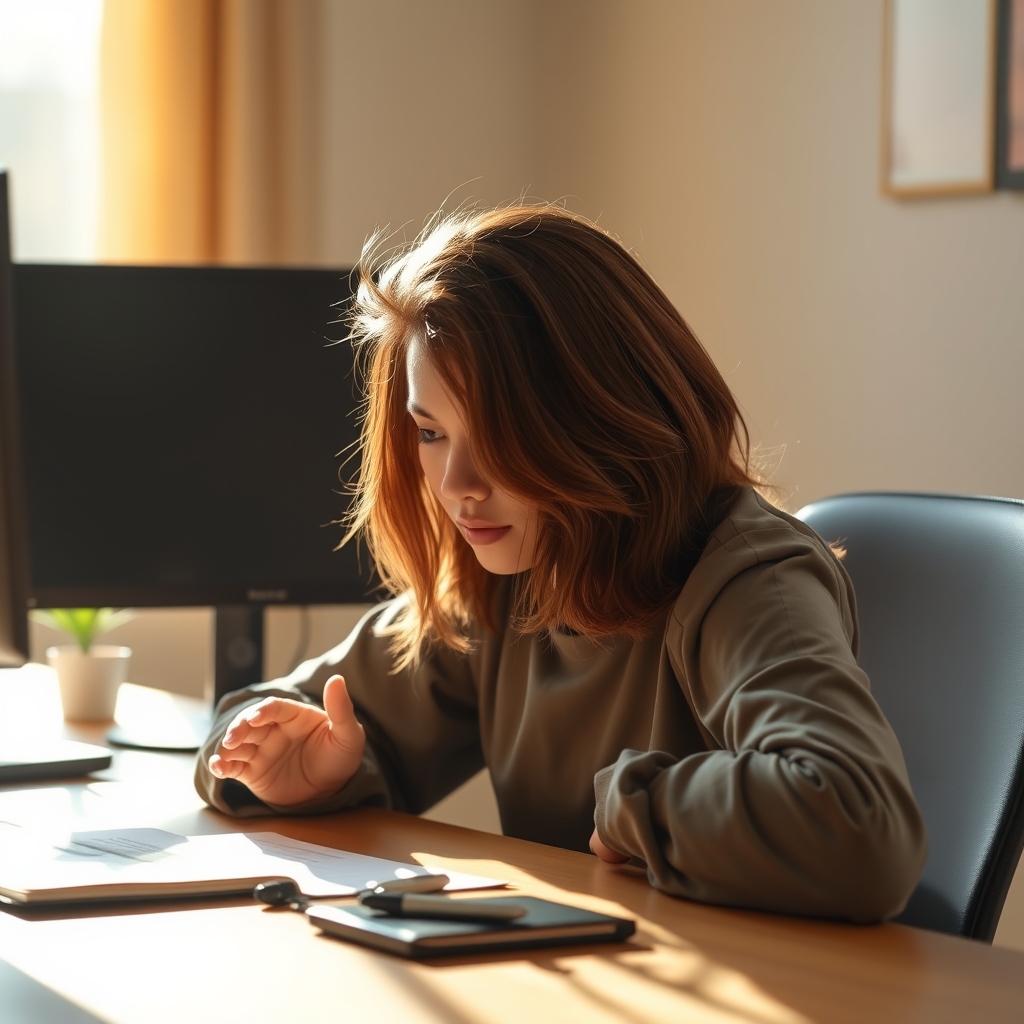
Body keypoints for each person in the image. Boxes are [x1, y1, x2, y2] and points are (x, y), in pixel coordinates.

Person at [195, 205, 926, 922]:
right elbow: (252, 720)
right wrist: (296, 771)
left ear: (598, 412)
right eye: (430, 432)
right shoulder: (503, 573)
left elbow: (860, 825)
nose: (457, 487)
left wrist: (633, 803)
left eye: (498, 431)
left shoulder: (745, 576)